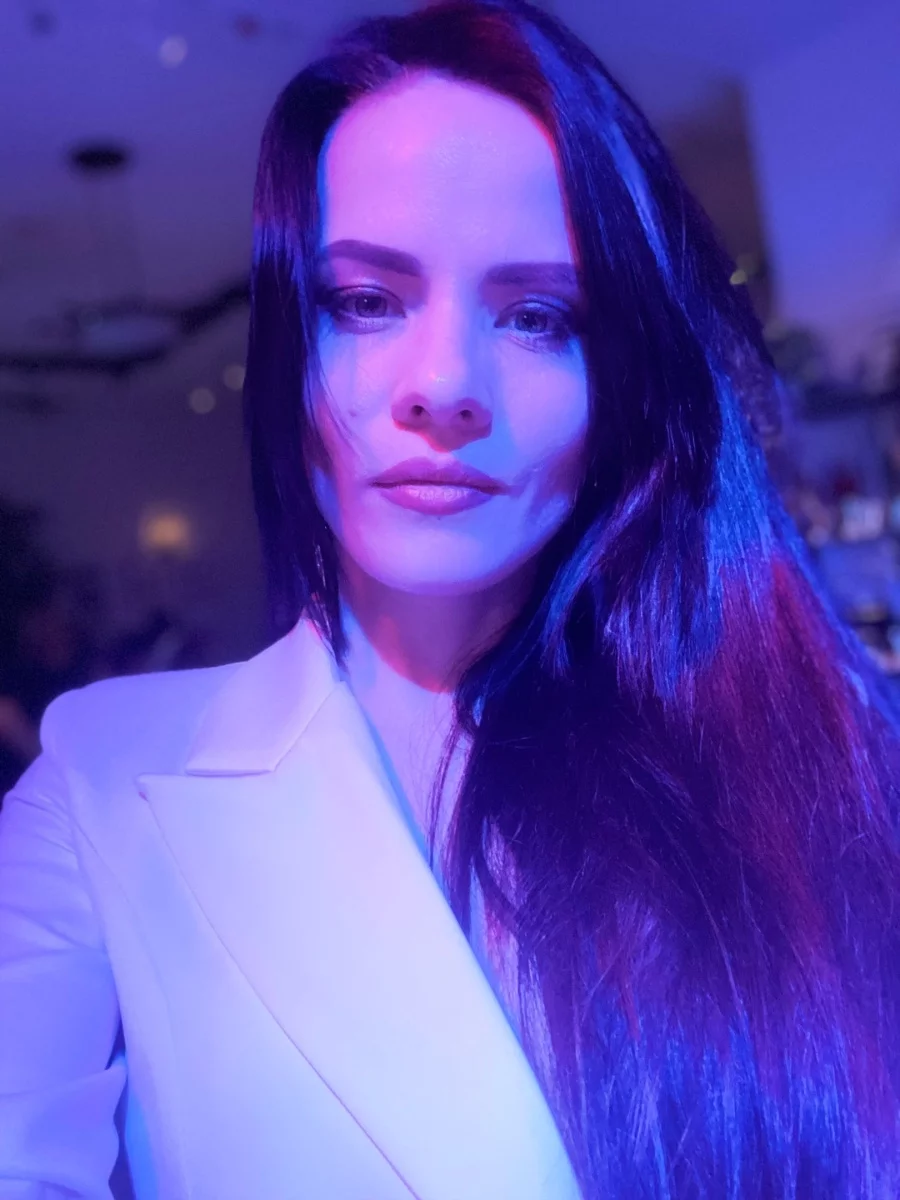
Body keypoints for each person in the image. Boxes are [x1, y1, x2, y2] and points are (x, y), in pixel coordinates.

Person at [1, 0, 899, 1195]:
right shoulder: (104, 785)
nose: (443, 385)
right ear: (293, 346)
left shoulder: (817, 763)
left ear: (627, 380)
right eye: (366, 301)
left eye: (538, 317)